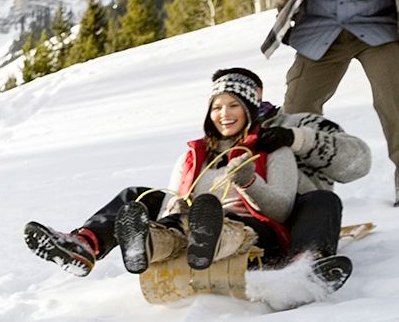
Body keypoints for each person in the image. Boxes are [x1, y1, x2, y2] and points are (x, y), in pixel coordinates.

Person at [24, 69, 348, 294]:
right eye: (217, 107)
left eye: (234, 105)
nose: (225, 113)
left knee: (220, 221)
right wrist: (175, 208)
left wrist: (249, 182)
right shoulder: (192, 156)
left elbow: (280, 210)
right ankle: (97, 244)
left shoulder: (272, 151)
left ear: (250, 110)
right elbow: (173, 204)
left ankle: (301, 271)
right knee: (149, 205)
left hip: (254, 231)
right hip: (192, 224)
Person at [264, 0, 399, 205]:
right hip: (321, 30)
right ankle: (298, 189)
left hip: (378, 30)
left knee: (395, 105)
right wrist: (286, 19)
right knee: (296, 111)